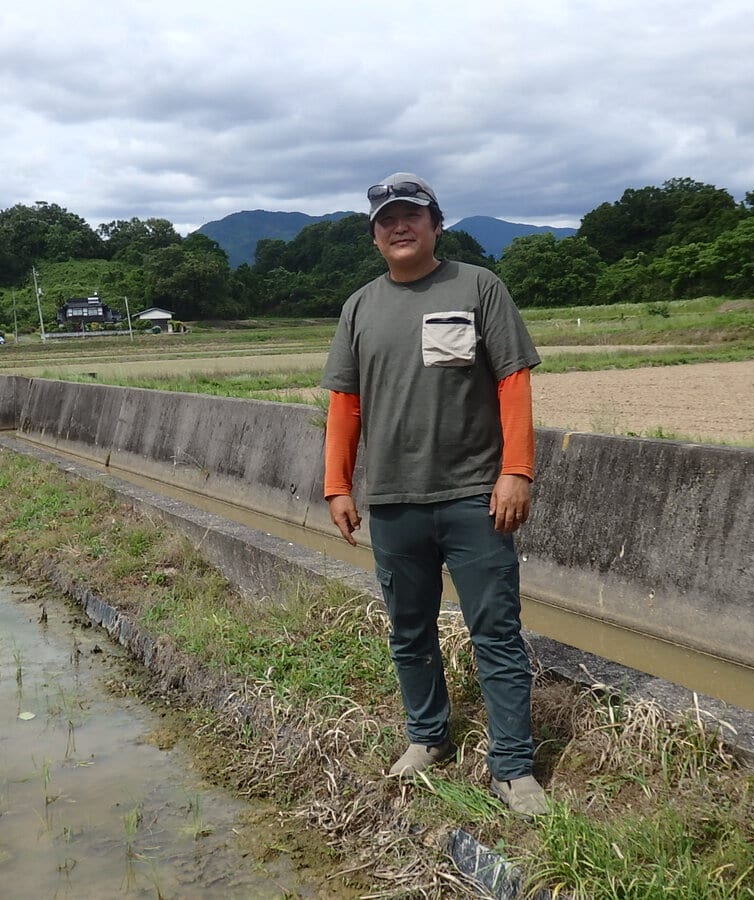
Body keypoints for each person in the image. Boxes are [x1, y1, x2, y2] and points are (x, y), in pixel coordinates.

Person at [320, 172, 548, 817]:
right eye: (386, 217)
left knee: (496, 633)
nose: (399, 225)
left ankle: (513, 768)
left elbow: (513, 382)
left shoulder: (477, 286)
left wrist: (518, 470)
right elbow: (345, 402)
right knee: (409, 633)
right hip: (393, 501)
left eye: (411, 215)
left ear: (435, 224)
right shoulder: (360, 306)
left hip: (477, 495)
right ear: (374, 235)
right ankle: (428, 736)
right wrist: (338, 484)